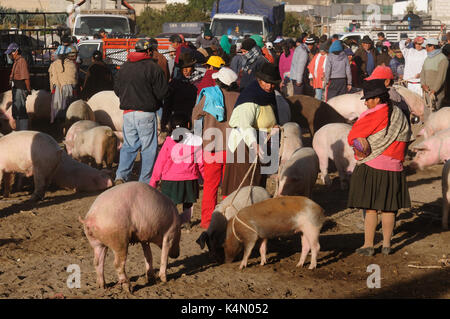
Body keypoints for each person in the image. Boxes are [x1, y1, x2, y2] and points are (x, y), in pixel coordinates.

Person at [347, 79, 411, 256]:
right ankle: (387, 245)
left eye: (367, 99)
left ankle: (368, 245)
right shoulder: (399, 114)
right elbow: (406, 139)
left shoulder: (372, 115)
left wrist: (360, 148)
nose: (366, 102)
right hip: (394, 168)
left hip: (373, 166)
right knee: (389, 208)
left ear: (377, 98)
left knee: (371, 208)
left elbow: (353, 137)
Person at [113, 39, 169, 185]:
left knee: (129, 146)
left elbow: (117, 90)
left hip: (127, 113)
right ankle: (145, 181)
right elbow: (162, 92)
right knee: (149, 148)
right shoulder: (153, 68)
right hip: (146, 113)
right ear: (149, 51)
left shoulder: (124, 67)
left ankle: (121, 176)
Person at [222, 62, 281, 197]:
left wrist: (274, 127)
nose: (270, 86)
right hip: (245, 147)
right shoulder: (250, 98)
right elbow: (244, 125)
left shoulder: (269, 95)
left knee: (258, 183)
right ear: (259, 80)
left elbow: (270, 116)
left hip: (262, 143)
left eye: (273, 83)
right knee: (245, 186)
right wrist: (254, 143)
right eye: (267, 82)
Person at [192, 67, 240, 229]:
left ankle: (206, 221)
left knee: (210, 186)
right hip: (233, 149)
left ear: (219, 82)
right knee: (229, 187)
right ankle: (227, 219)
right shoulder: (239, 98)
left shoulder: (209, 97)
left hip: (212, 148)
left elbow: (195, 116)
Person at [149, 113, 204, 228]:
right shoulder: (196, 140)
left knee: (169, 203)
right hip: (190, 179)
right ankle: (186, 221)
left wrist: (153, 181)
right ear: (188, 125)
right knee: (188, 203)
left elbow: (160, 162)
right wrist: (205, 177)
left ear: (171, 127)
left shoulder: (168, 142)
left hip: (170, 180)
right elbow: (201, 162)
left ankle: (170, 222)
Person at [162, 52, 201, 131]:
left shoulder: (199, 82)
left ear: (193, 67)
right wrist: (164, 122)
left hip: (193, 119)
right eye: (184, 68)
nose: (186, 70)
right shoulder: (174, 83)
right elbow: (167, 104)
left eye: (188, 67)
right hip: (177, 120)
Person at [48, 47, 78, 126]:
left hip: (57, 89)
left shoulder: (53, 65)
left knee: (57, 107)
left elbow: (51, 79)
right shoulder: (72, 64)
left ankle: (57, 125)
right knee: (69, 108)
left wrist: (52, 90)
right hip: (69, 89)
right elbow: (75, 79)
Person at [6, 42, 31, 131]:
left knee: (21, 110)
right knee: (16, 110)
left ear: (16, 51)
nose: (9, 55)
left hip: (20, 88)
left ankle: (23, 131)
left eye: (10, 53)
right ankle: (19, 129)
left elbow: (26, 77)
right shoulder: (16, 61)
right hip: (16, 88)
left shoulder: (22, 61)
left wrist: (28, 89)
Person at [420, 38, 449, 110]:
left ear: (432, 46)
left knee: (436, 115)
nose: (425, 48)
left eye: (426, 46)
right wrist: (423, 84)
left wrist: (434, 90)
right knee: (427, 114)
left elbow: (441, 77)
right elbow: (422, 72)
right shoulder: (427, 58)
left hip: (436, 94)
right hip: (427, 92)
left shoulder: (443, 59)